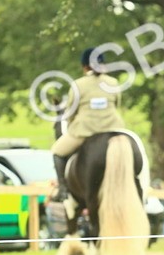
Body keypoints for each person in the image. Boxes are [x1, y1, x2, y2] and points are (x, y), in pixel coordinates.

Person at [50, 47, 127, 201]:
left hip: (85, 130)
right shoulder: (113, 82)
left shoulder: (78, 85)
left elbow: (70, 113)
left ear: (84, 66)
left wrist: (72, 125)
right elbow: (117, 104)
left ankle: (63, 189)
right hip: (113, 129)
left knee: (57, 152)